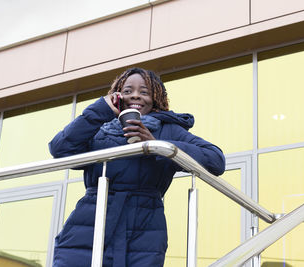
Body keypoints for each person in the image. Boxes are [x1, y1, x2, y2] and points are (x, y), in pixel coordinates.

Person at [49, 67, 225, 267]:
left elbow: (216, 160)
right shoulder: (99, 128)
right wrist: (100, 110)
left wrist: (157, 146)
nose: (135, 96)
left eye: (144, 92)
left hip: (145, 228)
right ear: (117, 96)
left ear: (156, 98)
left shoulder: (168, 130)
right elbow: (60, 149)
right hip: (89, 223)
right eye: (127, 91)